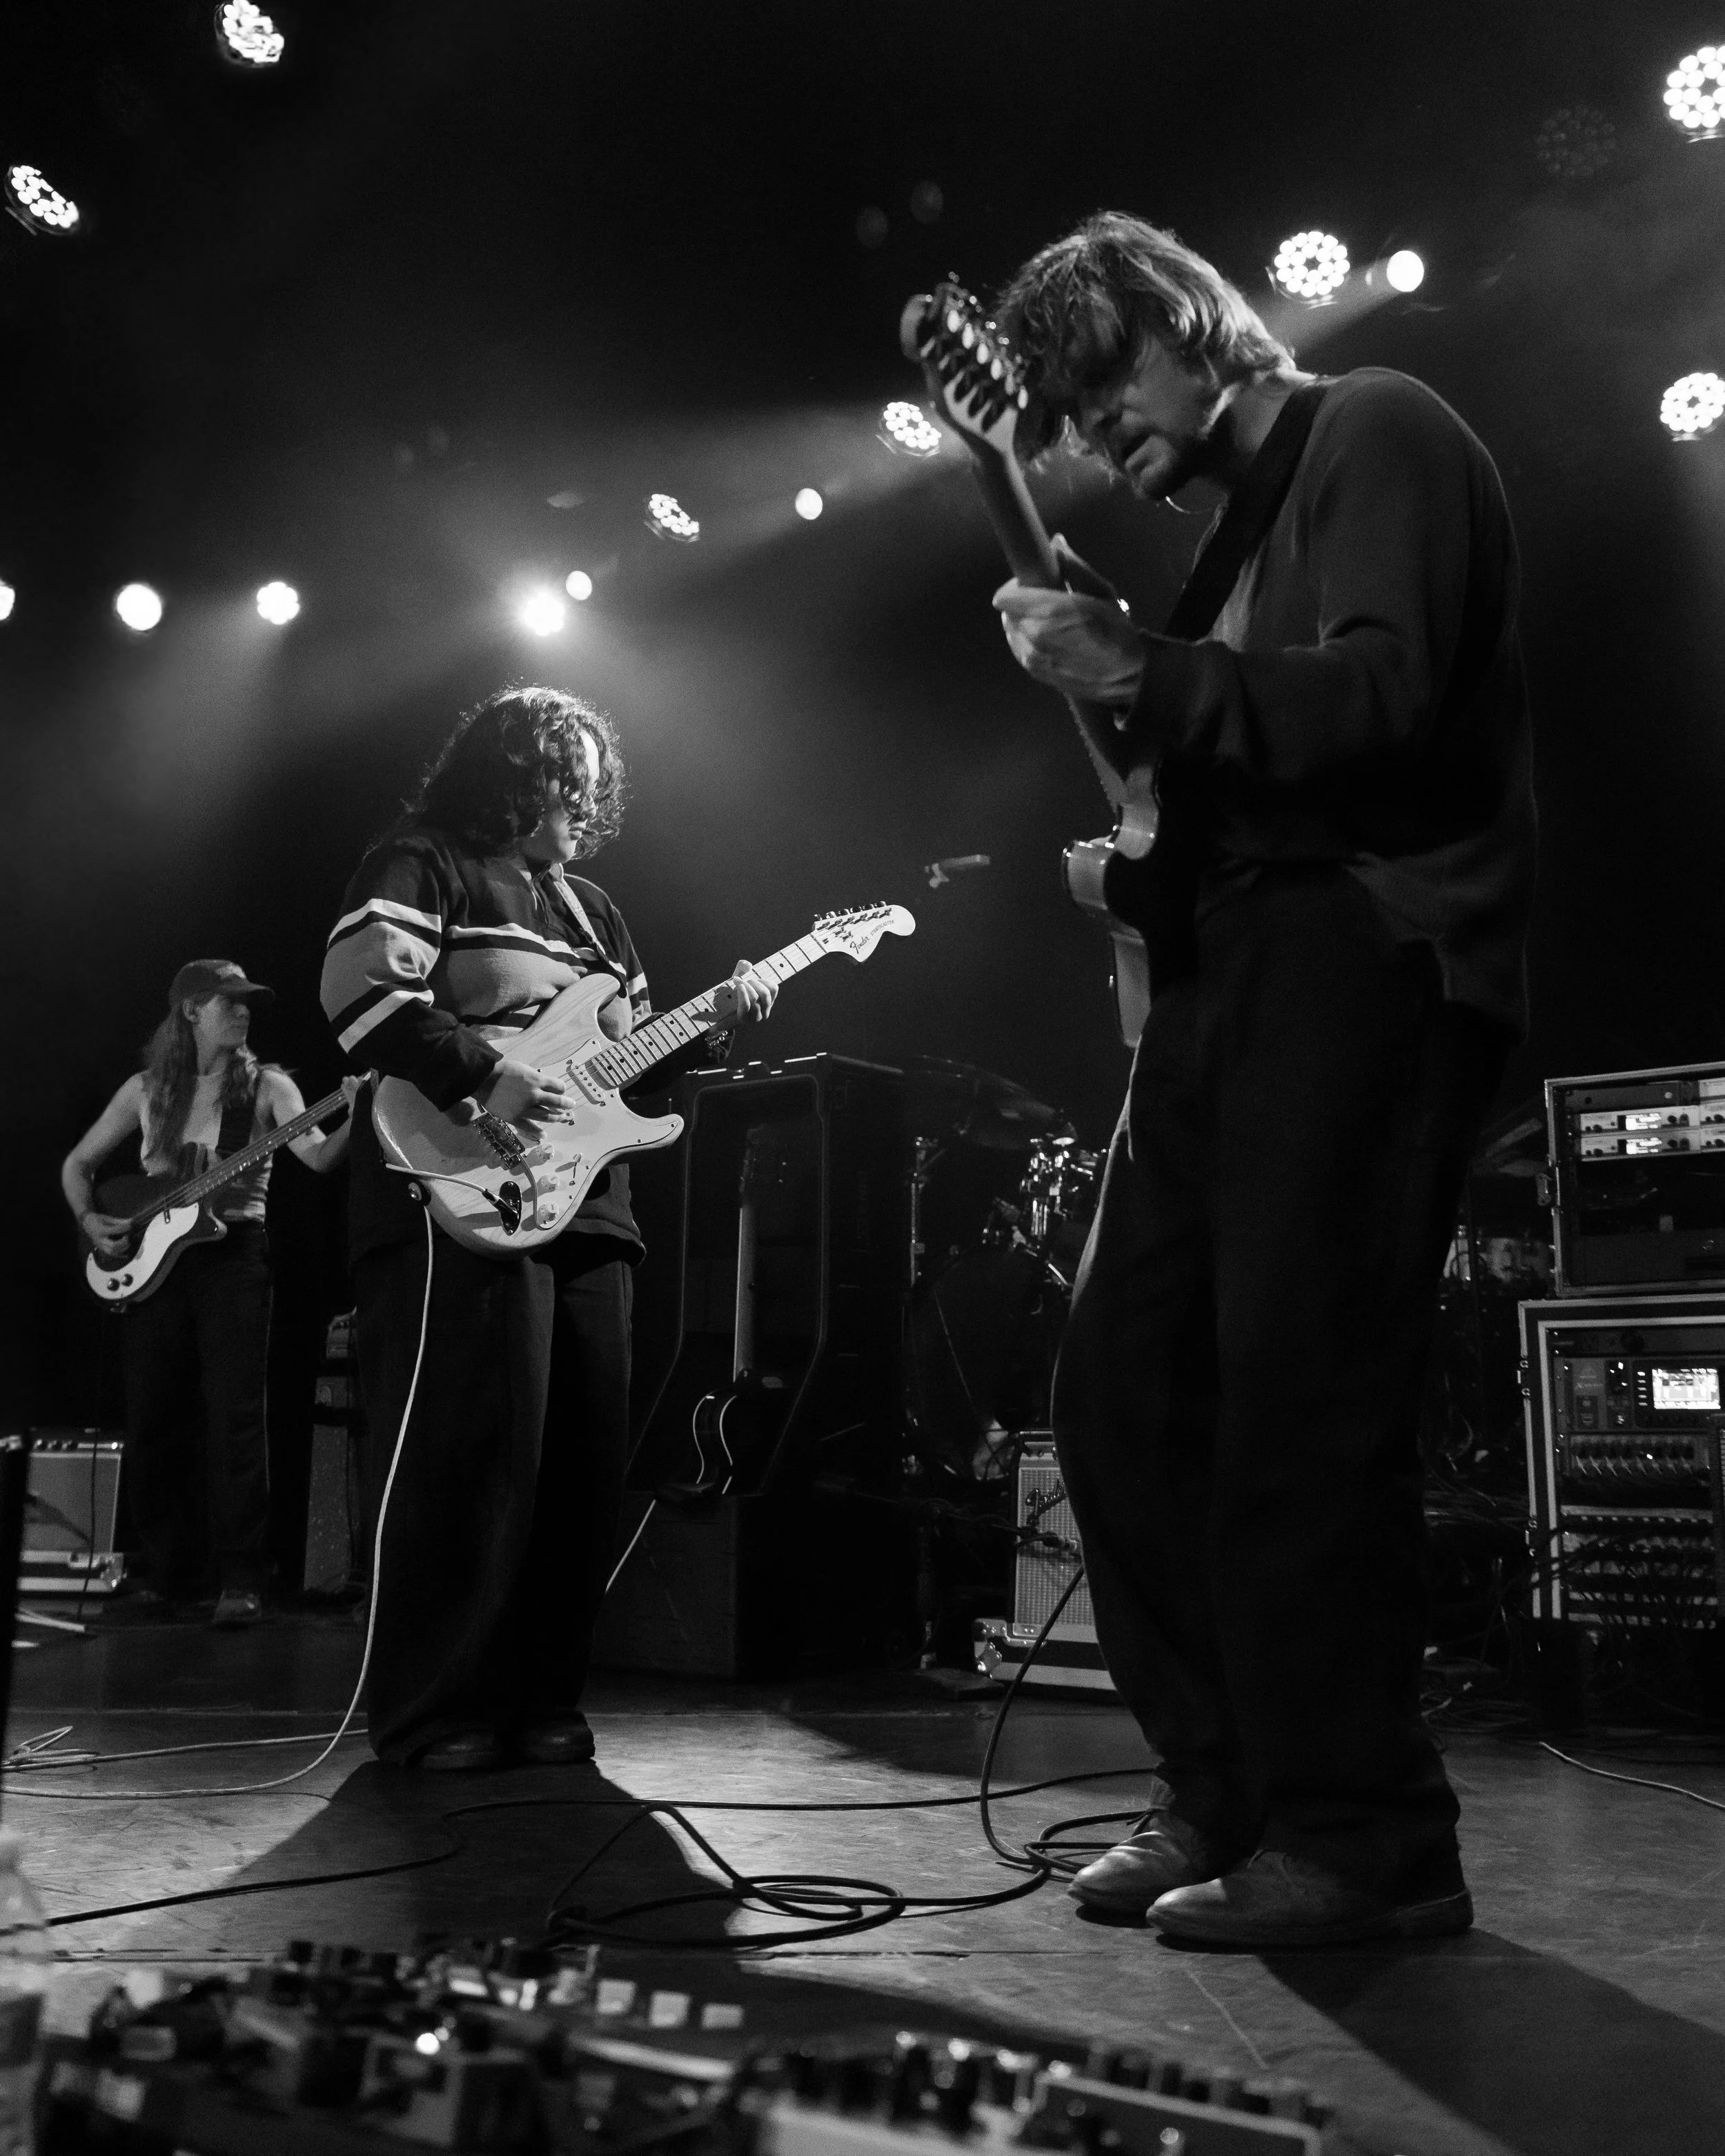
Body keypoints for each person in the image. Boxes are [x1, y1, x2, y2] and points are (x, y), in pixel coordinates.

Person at [987, 213, 1537, 1946]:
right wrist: (1134, 806)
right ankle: (1222, 1783)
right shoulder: (1222, 543)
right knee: (1120, 1389)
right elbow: (1216, 767)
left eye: (1103, 384)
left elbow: (1381, 698)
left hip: (1369, 954)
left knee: (1303, 1401)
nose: (1096, 436)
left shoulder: (1376, 425)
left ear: (1183, 318)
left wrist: (1141, 670)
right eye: (1064, 420)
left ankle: (1367, 1835)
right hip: (1225, 984)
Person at [319, 684, 775, 1771]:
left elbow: (628, 1062)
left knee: (579, 1458)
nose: (587, 801)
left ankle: (539, 1697)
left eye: (594, 783)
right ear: (518, 774)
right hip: (453, 1185)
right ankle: (433, 1711)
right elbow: (360, 992)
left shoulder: (593, 910)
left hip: (588, 1205)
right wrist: (484, 1071)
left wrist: (714, 1024)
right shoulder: (422, 861)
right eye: (570, 778)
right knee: (467, 1456)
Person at [61, 960, 356, 1625]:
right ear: (191, 1010)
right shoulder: (146, 1089)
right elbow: (78, 1164)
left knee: (235, 1418)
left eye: (249, 1002)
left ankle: (242, 1577)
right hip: (153, 1265)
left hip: (233, 1259)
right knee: (154, 1416)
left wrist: (355, 1112)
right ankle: (169, 1574)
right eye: (230, 1001)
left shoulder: (270, 1086)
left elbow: (318, 1157)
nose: (245, 1011)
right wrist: (89, 1219)